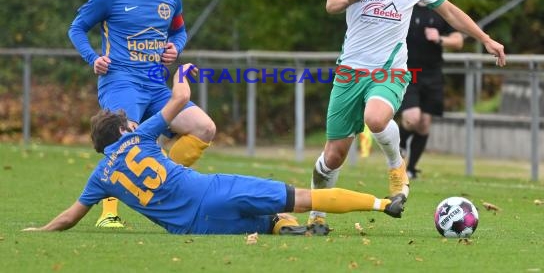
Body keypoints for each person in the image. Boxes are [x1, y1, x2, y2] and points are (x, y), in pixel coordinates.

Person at [22, 64, 405, 236]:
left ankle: (279, 226)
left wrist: (39, 230)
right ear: (126, 128)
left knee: (270, 222)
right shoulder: (139, 137)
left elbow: (69, 218)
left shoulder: (101, 175)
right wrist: (181, 72)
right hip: (213, 190)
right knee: (302, 198)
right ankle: (381, 204)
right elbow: (181, 97)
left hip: (193, 227)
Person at [308, 0, 506, 226]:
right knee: (333, 156)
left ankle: (396, 165)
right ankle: (317, 215)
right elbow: (331, 4)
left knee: (375, 118)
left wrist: (485, 39)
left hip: (390, 70)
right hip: (349, 72)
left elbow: (450, 12)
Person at [68, 0, 216, 228]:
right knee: (123, 140)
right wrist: (94, 58)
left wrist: (176, 46)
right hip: (120, 81)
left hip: (155, 83)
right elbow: (77, 28)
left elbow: (179, 29)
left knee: (205, 128)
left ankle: (158, 181)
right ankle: (109, 213)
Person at [399, 0, 464, 179]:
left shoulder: (440, 9)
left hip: (433, 73)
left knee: (425, 123)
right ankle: (399, 146)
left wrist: (441, 39)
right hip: (407, 72)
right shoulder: (404, 5)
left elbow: (458, 40)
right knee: (412, 118)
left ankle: (411, 168)